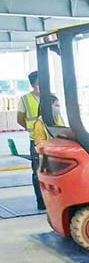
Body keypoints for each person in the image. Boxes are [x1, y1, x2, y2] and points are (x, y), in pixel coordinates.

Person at [16, 71, 44, 210]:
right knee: (37, 172)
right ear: (33, 84)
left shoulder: (50, 97)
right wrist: (33, 129)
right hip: (35, 140)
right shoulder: (25, 99)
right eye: (39, 82)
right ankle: (41, 201)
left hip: (51, 140)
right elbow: (20, 119)